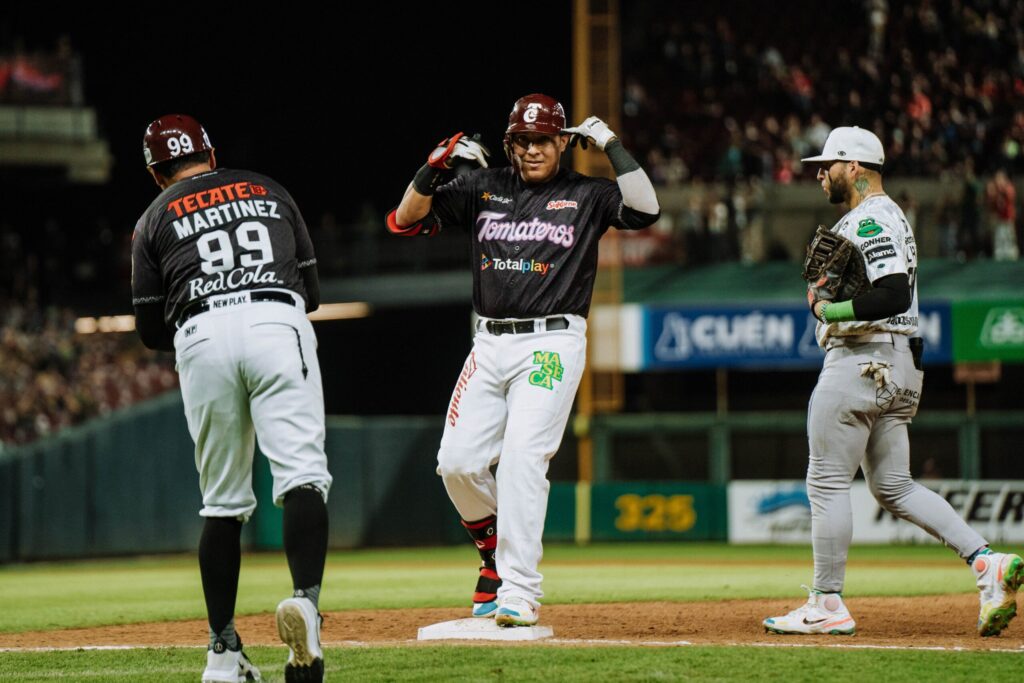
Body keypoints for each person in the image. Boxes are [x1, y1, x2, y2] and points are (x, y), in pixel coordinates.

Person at [386, 94, 659, 626]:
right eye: (522, 140)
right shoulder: (483, 186)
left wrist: (612, 146)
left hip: (551, 342)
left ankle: (519, 589)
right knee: (457, 464)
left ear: (563, 142)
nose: (532, 149)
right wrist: (431, 167)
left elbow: (647, 209)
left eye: (543, 139)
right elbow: (403, 221)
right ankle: (493, 556)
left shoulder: (586, 193)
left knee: (521, 459)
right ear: (509, 144)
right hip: (488, 342)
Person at [763, 126, 1023, 637]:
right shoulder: (884, 216)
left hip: (862, 360)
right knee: (893, 486)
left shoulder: (872, 217)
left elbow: (894, 293)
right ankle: (985, 561)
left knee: (826, 481)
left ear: (855, 167)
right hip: (900, 367)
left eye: (829, 164)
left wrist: (826, 308)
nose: (821, 173)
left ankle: (827, 601)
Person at [131, 114, 331, 682]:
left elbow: (149, 333)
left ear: (154, 173)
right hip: (275, 318)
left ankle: (223, 651)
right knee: (301, 477)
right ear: (211, 153)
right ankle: (307, 605)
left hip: (200, 335)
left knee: (221, 503)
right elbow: (312, 294)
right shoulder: (269, 189)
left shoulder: (152, 218)